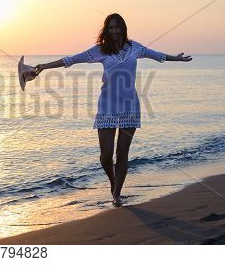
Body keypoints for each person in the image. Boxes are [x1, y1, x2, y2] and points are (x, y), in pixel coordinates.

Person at [32, 13, 192, 206]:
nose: (114, 31)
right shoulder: (101, 50)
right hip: (107, 106)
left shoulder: (135, 47)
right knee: (106, 156)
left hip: (129, 106)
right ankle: (112, 181)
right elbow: (72, 59)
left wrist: (178, 58)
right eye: (110, 28)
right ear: (106, 30)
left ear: (123, 28)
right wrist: (43, 67)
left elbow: (157, 55)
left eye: (117, 27)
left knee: (122, 153)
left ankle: (117, 194)